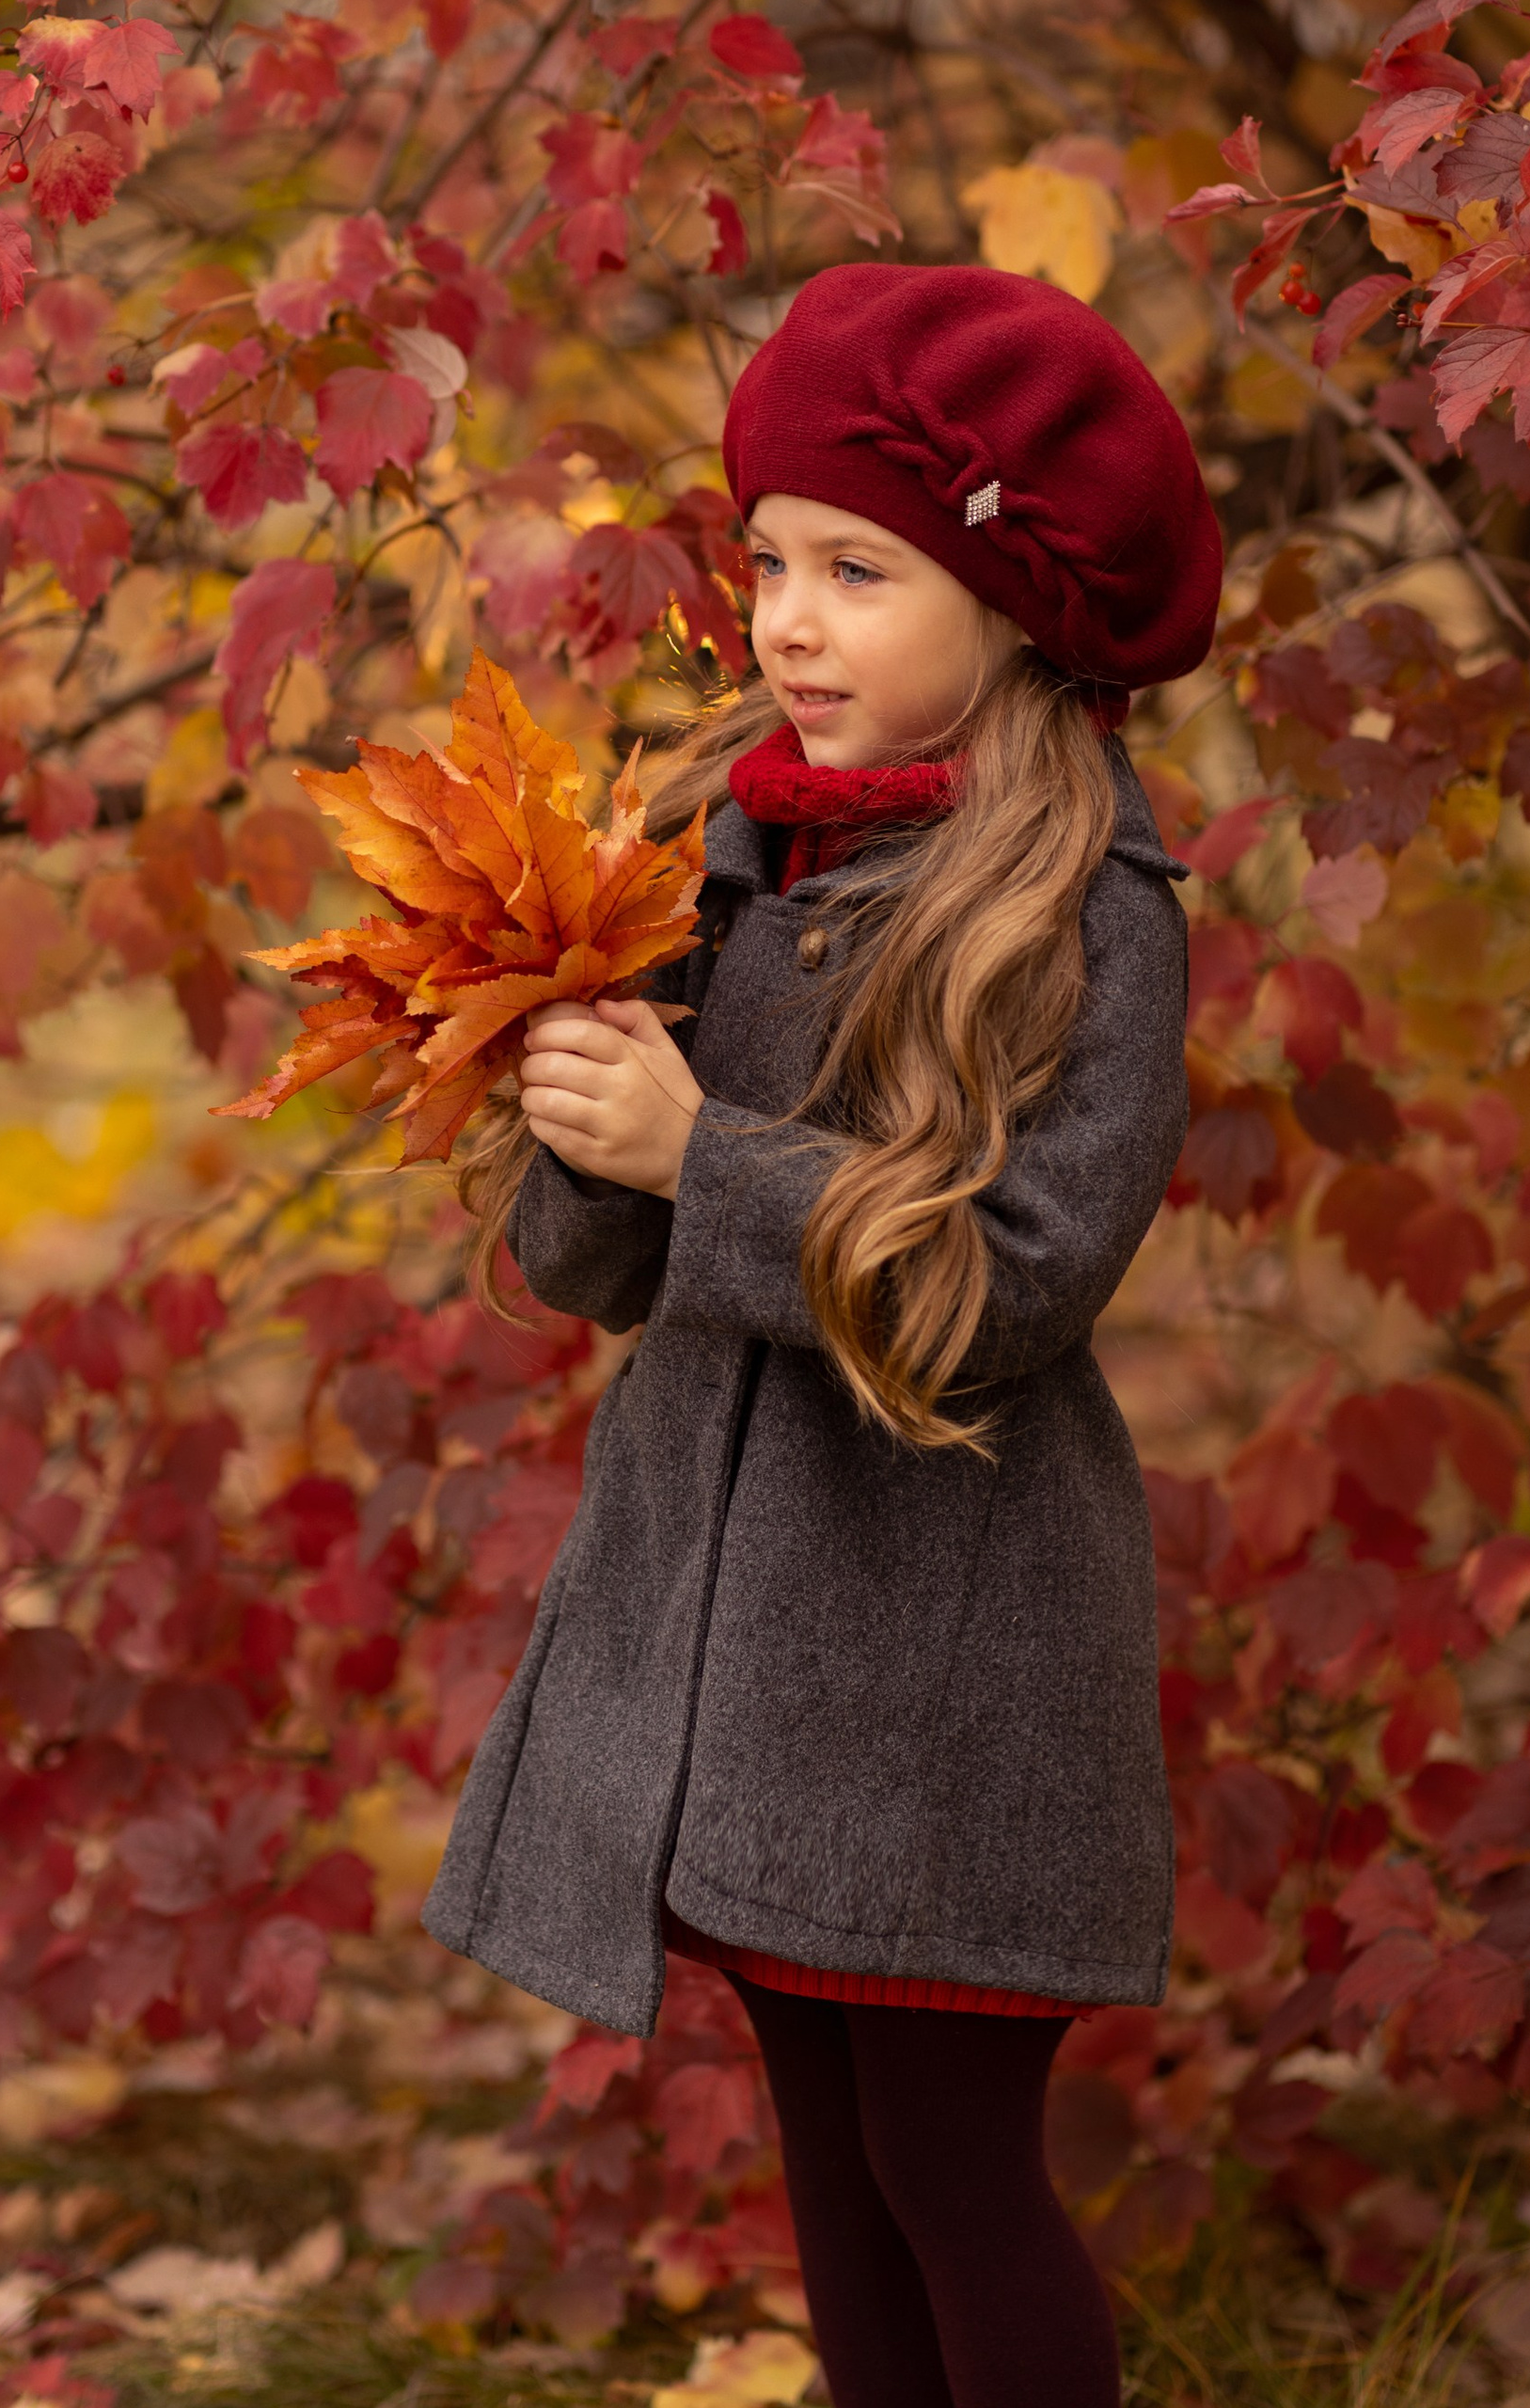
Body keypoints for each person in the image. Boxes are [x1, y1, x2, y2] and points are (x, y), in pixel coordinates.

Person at [422, 261, 1225, 2408]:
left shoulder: (1078, 912)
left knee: (950, 2163)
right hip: (739, 1644)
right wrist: (584, 1129)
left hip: (944, 1657)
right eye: (768, 557)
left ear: (1016, 599)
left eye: (857, 569)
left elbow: (1016, 1282)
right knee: (831, 2158)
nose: (786, 616)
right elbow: (609, 1272)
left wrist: (708, 1162)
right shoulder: (735, 847)